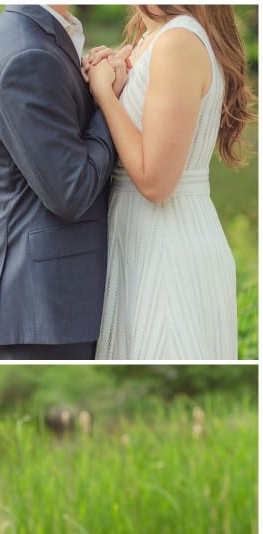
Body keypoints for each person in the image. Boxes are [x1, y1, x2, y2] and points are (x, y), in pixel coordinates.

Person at [86, 6, 254, 359]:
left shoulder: (178, 42)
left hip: (169, 249)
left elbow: (155, 182)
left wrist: (104, 95)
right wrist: (114, 83)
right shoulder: (152, 37)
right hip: (140, 239)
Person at [0, 6, 130, 360]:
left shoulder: (36, 35)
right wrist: (109, 103)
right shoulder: (29, 54)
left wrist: (92, 85)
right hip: (49, 306)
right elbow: (71, 191)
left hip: (52, 301)